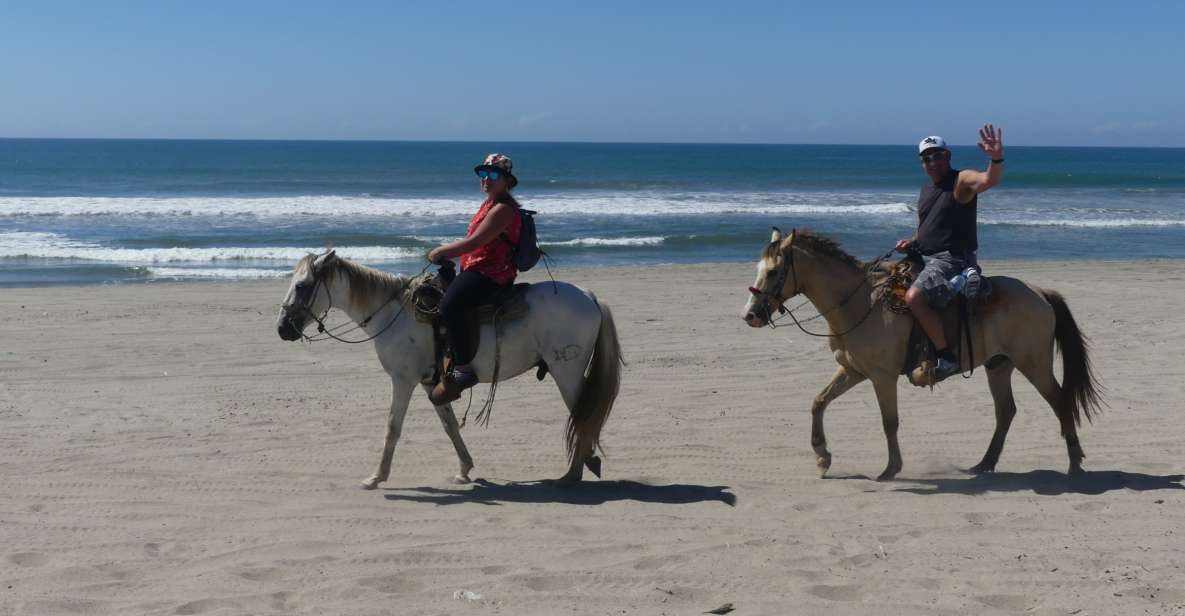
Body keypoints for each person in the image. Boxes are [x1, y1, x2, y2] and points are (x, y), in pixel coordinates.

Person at [896, 124, 1004, 382]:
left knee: (914, 298)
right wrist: (911, 241)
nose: (931, 162)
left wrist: (995, 158)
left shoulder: (961, 181)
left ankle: (946, 357)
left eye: (937, 156)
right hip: (925, 255)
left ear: (948, 156)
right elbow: (927, 228)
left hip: (951, 259)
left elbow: (987, 180)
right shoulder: (927, 190)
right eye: (926, 158)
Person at [426, 153, 523, 403]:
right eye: (483, 174)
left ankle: (465, 369)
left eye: (493, 175)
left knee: (450, 304)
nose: (486, 180)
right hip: (476, 267)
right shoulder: (489, 204)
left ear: (507, 182)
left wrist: (443, 250)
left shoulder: (503, 209)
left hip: (492, 273)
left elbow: (476, 242)